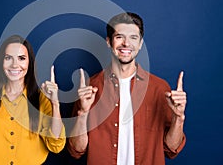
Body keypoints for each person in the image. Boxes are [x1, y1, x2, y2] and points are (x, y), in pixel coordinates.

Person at [67, 12, 187, 165]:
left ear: (140, 44)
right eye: (119, 37)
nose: (126, 43)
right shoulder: (91, 88)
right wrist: (83, 114)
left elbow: (172, 149)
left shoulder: (160, 89)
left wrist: (179, 118)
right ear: (109, 41)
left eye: (133, 38)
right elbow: (76, 150)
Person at [0, 35, 66, 165]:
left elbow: (56, 145)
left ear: (29, 62)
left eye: (21, 58)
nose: (15, 65)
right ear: (1, 63)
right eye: (8, 58)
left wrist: (55, 103)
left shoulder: (42, 99)